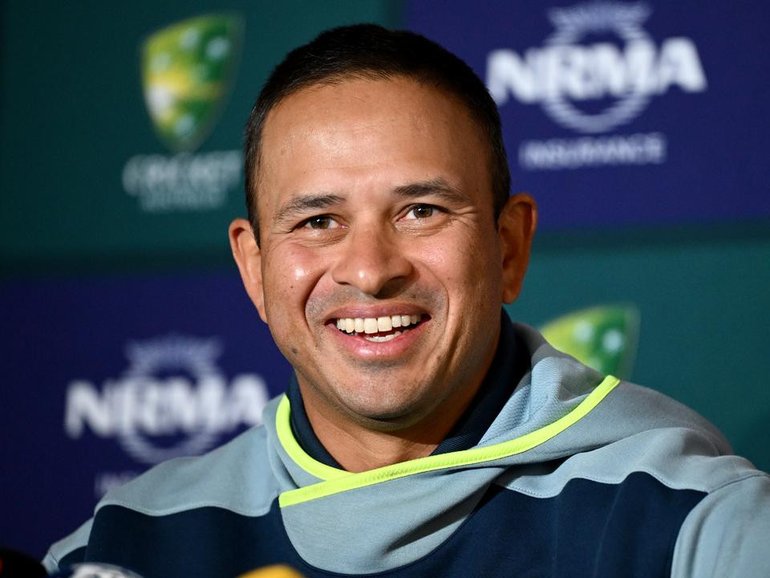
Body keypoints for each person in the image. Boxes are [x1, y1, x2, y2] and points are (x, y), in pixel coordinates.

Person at [44, 24, 769, 578]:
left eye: (421, 210)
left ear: (509, 247)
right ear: (254, 267)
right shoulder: (124, 546)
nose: (369, 269)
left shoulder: (694, 527)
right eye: (318, 221)